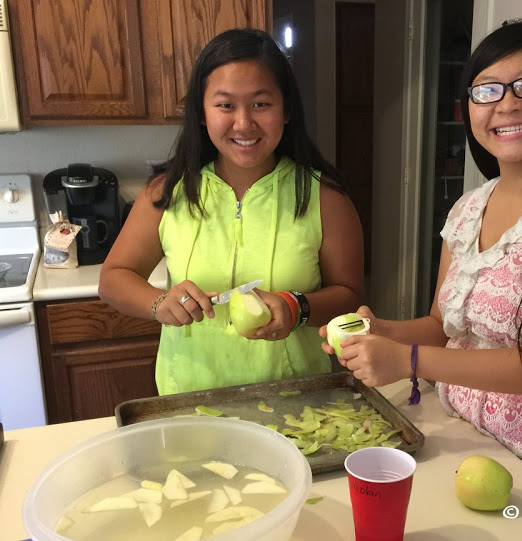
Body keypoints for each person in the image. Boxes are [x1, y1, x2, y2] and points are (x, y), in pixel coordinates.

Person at [321, 22, 522, 509]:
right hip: (459, 435)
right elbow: (440, 325)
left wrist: (406, 361)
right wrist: (380, 331)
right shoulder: (468, 208)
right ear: (469, 107)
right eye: (487, 90)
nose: (507, 104)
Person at [99, 28, 364, 395]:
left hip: (296, 398)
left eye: (260, 104)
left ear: (286, 110)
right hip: (189, 397)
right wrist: (158, 303)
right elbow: (113, 278)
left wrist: (297, 307)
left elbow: (349, 293)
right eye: (225, 105)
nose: (243, 123)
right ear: (202, 113)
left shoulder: (323, 196)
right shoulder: (166, 192)